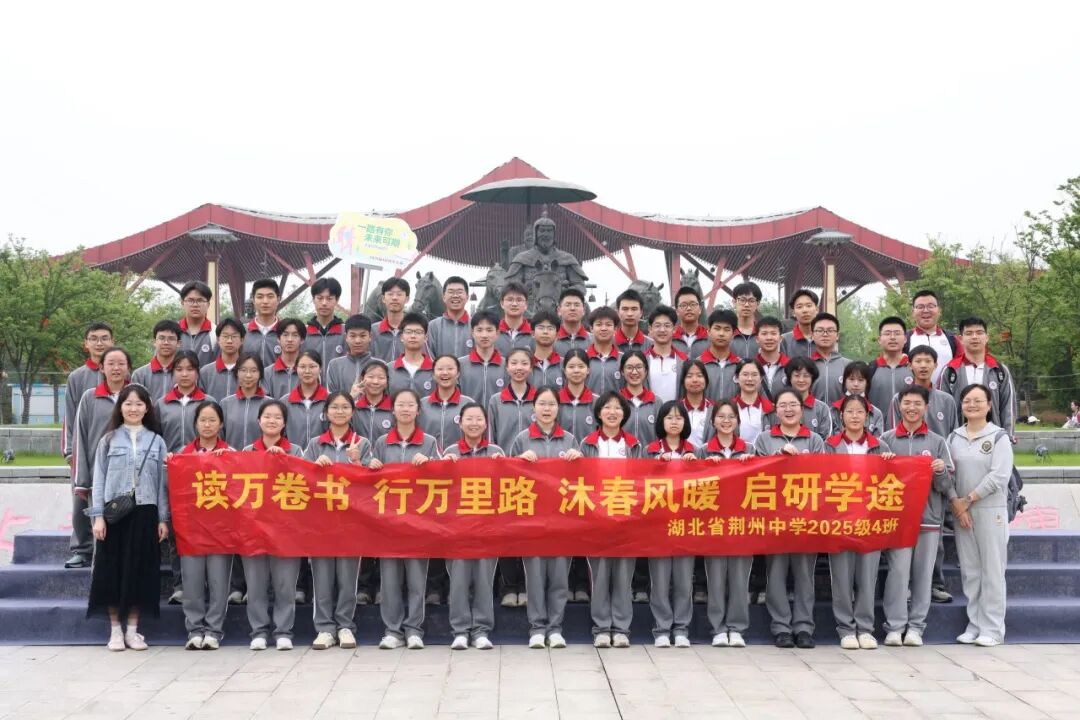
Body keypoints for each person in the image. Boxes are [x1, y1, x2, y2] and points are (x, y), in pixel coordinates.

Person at [86, 384, 169, 652]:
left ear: (147, 408)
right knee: (112, 571)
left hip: (146, 512)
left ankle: (133, 631)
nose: (133, 408)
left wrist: (162, 519)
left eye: (139, 404)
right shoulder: (108, 440)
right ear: (120, 407)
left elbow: (162, 485)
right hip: (115, 515)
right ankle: (115, 631)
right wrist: (98, 517)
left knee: (140, 572)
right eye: (128, 403)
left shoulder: (157, 441)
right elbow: (98, 480)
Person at [881, 385, 955, 647]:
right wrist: (883, 464)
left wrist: (940, 470)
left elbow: (946, 486)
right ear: (899, 405)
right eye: (907, 403)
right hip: (897, 521)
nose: (911, 408)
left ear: (926, 408)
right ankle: (894, 626)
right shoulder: (885, 440)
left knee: (923, 576)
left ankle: (916, 627)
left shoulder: (937, 442)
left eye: (917, 404)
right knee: (898, 574)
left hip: (928, 519)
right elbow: (874, 482)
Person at [510, 386, 583, 649]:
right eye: (542, 404)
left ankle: (555, 628)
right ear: (533, 408)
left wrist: (579, 459)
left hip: (562, 520)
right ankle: (537, 628)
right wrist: (519, 460)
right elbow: (509, 477)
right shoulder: (522, 439)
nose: (547, 409)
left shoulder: (570, 440)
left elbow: (582, 480)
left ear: (558, 408)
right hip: (533, 520)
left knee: (559, 578)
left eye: (552, 404)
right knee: (536, 577)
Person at [754, 388, 826, 649]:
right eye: (782, 405)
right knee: (776, 573)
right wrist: (777, 459)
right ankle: (781, 627)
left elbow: (824, 475)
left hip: (806, 518)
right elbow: (755, 475)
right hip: (775, 517)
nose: (788, 409)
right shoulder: (764, 439)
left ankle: (804, 627)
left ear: (802, 409)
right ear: (775, 411)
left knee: (805, 575)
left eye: (793, 404)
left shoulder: (815, 440)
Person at [370, 389, 441, 649]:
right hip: (388, 523)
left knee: (416, 580)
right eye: (401, 404)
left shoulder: (429, 442)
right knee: (389, 580)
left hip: (418, 521)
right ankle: (392, 630)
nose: (406, 409)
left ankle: (414, 630)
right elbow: (369, 478)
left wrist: (430, 462)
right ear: (393, 409)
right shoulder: (381, 442)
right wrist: (370, 465)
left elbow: (443, 474)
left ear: (418, 410)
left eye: (411, 405)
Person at [825, 395, 894, 650]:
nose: (854, 416)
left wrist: (890, 465)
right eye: (849, 411)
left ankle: (865, 628)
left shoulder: (881, 446)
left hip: (870, 520)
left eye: (859, 412)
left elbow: (891, 483)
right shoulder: (829, 446)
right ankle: (845, 628)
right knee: (841, 577)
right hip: (839, 520)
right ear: (841, 416)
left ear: (868, 416)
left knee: (867, 576)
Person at [304, 391, 371, 650]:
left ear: (353, 412)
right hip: (320, 523)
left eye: (345, 407)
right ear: (326, 412)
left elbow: (372, 483)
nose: (340, 411)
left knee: (347, 578)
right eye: (334, 407)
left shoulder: (363, 443)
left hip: (351, 522)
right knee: (321, 578)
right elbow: (300, 481)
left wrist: (357, 461)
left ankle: (345, 626)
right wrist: (314, 466)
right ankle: (324, 628)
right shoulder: (314, 444)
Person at [893, 345, 959, 605]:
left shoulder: (946, 401)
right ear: (910, 365)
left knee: (935, 536)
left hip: (935, 476)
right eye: (918, 361)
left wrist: (945, 468)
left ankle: (935, 584)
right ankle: (905, 587)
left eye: (927, 361)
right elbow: (893, 432)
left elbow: (953, 435)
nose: (922, 365)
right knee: (901, 538)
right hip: (903, 481)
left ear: (935, 365)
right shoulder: (899, 398)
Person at [948, 384, 1013, 647]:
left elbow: (999, 476)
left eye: (978, 400)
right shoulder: (954, 437)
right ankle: (974, 624)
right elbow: (948, 473)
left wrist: (969, 500)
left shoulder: (998, 437)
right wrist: (957, 503)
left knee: (992, 571)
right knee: (971, 571)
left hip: (989, 511)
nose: (972, 405)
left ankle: (993, 628)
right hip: (961, 512)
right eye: (967, 400)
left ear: (989, 405)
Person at [241, 401, 305, 653]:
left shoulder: (296, 450)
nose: (271, 421)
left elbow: (305, 484)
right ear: (258, 421)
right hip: (254, 528)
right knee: (255, 584)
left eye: (277, 417)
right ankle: (258, 631)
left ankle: (283, 632)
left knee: (285, 585)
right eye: (267, 416)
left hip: (286, 529)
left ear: (284, 423)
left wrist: (285, 461)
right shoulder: (247, 451)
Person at [442, 402, 503, 651]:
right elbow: (439, 489)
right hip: (457, 530)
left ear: (486, 424)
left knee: (484, 581)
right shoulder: (451, 451)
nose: (474, 423)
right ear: (460, 422)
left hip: (487, 529)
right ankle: (459, 630)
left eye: (479, 419)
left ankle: (481, 630)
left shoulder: (496, 451)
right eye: (469, 419)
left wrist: (503, 466)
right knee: (458, 581)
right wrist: (443, 465)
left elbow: (506, 488)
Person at [67, 346, 131, 569]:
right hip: (99, 478)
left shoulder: (137, 396)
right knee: (101, 534)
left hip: (131, 479)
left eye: (121, 363)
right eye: (111, 364)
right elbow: (80, 439)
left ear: (128, 368)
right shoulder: (89, 397)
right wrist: (82, 480)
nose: (116, 368)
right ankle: (101, 583)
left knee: (127, 539)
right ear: (101, 368)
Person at [697, 400, 754, 647]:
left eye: (731, 416)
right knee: (716, 578)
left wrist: (751, 465)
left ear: (738, 421)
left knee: (740, 578)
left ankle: (737, 627)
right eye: (721, 416)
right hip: (714, 524)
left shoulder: (750, 449)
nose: (726, 421)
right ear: (712, 421)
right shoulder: (702, 451)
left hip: (742, 523)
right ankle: (718, 627)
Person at [177, 400, 233, 650]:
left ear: (221, 424)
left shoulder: (232, 453)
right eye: (203, 420)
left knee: (219, 582)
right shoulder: (183, 454)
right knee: (192, 582)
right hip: (191, 529)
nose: (207, 425)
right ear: (195, 424)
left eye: (212, 420)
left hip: (221, 530)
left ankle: (214, 630)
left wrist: (228, 462)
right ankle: (194, 629)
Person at [645, 401, 696, 648]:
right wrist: (656, 465)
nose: (674, 422)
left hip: (686, 524)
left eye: (678, 418)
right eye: (669, 417)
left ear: (685, 422)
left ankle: (682, 628)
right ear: (661, 422)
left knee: (684, 580)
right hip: (657, 526)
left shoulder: (695, 451)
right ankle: (662, 629)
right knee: (660, 580)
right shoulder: (650, 451)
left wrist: (695, 465)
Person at [938, 317, 1017, 438]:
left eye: (979, 333)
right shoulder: (950, 371)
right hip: (959, 438)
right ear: (961, 339)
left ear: (987, 337)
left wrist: (1008, 436)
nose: (974, 337)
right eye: (969, 333)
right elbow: (943, 407)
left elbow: (1008, 406)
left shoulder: (1000, 370)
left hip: (993, 437)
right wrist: (946, 440)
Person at [63, 322, 112, 464]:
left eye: (104, 338)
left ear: (112, 342)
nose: (99, 343)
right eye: (94, 338)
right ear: (86, 343)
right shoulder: (76, 377)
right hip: (84, 448)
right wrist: (70, 452)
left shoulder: (124, 375)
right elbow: (70, 415)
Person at [157, 351, 213, 453]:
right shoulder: (161, 404)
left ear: (197, 372)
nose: (184, 374)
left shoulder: (208, 402)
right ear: (173, 372)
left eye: (190, 369)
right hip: (170, 460)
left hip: (201, 460)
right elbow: (156, 438)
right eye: (179, 369)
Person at [419, 355, 474, 452]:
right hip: (428, 458)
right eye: (440, 369)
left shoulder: (468, 404)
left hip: (459, 458)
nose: (445, 373)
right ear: (433, 374)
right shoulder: (422, 404)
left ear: (458, 373)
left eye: (450, 369)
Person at [487, 348, 537, 451]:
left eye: (524, 363)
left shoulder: (538, 399)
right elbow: (490, 435)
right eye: (514, 363)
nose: (519, 368)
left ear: (531, 368)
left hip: (533, 458)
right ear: (507, 367)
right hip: (504, 458)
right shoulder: (496, 400)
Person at [904, 290, 958, 384]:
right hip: (913, 392)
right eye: (920, 307)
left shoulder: (952, 339)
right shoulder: (904, 339)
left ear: (939, 310)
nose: (925, 310)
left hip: (946, 393)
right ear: (913, 312)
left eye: (930, 306)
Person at [220, 353, 268, 451]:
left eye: (253, 371)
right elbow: (220, 436)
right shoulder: (225, 404)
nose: (248, 375)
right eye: (243, 370)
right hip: (232, 457)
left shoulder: (269, 404)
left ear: (260, 374)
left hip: (259, 457)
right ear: (236, 372)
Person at [870, 317, 913, 426]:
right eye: (887, 333)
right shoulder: (870, 369)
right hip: (877, 430)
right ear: (879, 340)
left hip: (908, 430)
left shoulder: (913, 368)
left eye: (897, 333)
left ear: (905, 339)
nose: (892, 337)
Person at [282, 350, 328, 450]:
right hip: (293, 456)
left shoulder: (330, 400)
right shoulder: (285, 402)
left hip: (323, 457)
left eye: (312, 366)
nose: (307, 371)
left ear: (320, 369)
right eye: (302, 367)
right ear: (296, 369)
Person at [458, 310, 506, 405]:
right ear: (472, 333)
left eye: (489, 330)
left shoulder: (507, 365)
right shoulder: (460, 364)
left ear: (497, 333)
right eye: (479, 330)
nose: (484, 335)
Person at [829, 362, 886, 437]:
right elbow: (829, 440)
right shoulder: (833, 411)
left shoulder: (876, 413)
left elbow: (878, 442)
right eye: (851, 379)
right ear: (844, 381)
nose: (856, 384)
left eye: (861, 380)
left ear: (867, 383)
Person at [782, 356, 832, 439]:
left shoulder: (822, 408)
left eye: (806, 376)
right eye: (797, 375)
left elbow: (825, 439)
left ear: (812, 378)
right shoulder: (780, 406)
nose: (801, 380)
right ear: (790, 378)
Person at [646, 305, 686, 404]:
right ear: (650, 329)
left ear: (674, 329)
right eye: (657, 326)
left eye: (667, 326)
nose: (662, 330)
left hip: (676, 413)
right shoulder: (642, 360)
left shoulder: (684, 361)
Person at [325, 314, 375, 395]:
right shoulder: (334, 365)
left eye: (362, 336)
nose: (357, 341)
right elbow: (331, 398)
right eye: (353, 336)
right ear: (346, 337)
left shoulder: (380, 365)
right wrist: (351, 398)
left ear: (370, 336)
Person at [131, 320, 181, 400]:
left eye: (171, 339)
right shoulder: (140, 374)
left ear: (178, 343)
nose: (166, 342)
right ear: (154, 342)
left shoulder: (185, 373)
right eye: (161, 338)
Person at [199, 317, 246, 401]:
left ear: (242, 340)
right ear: (218, 339)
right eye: (225, 336)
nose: (229, 341)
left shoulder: (249, 371)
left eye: (234, 336)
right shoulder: (205, 372)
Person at [304, 277, 346, 370]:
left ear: (337, 300)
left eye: (329, 298)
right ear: (313, 299)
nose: (324, 303)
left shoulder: (346, 332)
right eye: (320, 298)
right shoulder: (303, 332)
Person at [388, 313, 435, 396]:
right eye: (408, 332)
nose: (413, 336)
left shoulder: (435, 369)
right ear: (401, 337)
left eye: (418, 332)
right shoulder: (389, 369)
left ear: (425, 338)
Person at [427, 276, 473, 359]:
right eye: (451, 292)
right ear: (444, 297)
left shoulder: (475, 326)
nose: (455, 295)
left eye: (459, 292)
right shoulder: (432, 326)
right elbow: (429, 357)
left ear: (467, 297)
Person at [619, 351, 659, 445]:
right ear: (622, 372)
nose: (634, 372)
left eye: (639, 367)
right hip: (622, 453)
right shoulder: (616, 401)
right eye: (629, 367)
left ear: (646, 371)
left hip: (650, 454)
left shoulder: (656, 402)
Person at [699, 309, 739, 404]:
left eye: (727, 329)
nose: (721, 334)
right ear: (708, 331)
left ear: (733, 334)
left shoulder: (740, 365)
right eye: (717, 328)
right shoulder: (698, 364)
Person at [809, 312, 849, 406]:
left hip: (841, 414)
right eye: (820, 330)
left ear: (837, 335)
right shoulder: (805, 365)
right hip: (813, 414)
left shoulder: (848, 365)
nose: (825, 334)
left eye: (830, 330)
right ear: (812, 335)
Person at [243, 279, 283, 367]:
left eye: (270, 296)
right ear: (253, 300)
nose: (265, 301)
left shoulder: (286, 332)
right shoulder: (241, 332)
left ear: (278, 300)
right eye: (260, 297)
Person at [585, 306, 624, 395]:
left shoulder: (623, 359)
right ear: (591, 328)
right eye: (599, 324)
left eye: (608, 325)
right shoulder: (582, 358)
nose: (603, 328)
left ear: (615, 329)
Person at [558, 350, 595, 441]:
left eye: (581, 366)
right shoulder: (555, 400)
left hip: (588, 450)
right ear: (564, 371)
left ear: (588, 370)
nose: (576, 370)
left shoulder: (597, 401)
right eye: (571, 367)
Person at [733, 359, 773, 444]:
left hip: (764, 452)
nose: (750, 379)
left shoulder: (771, 409)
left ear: (761, 378)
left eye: (754, 375)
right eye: (745, 374)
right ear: (736, 378)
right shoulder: (729, 408)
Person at [352, 360, 394, 442]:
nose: (375, 382)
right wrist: (351, 397)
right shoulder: (353, 408)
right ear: (362, 379)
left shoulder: (395, 409)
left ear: (387, 382)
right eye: (371, 377)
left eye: (381, 378)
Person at [178, 281, 217, 367]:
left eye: (200, 300)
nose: (195, 305)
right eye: (190, 300)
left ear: (208, 304)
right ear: (182, 303)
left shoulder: (216, 333)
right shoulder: (173, 331)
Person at [372, 277, 411, 362]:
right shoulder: (373, 331)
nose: (394, 298)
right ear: (383, 299)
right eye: (390, 294)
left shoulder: (414, 331)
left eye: (399, 294)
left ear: (407, 299)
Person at [266, 318, 305, 399]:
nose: (289, 340)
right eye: (285, 335)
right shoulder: (267, 373)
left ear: (302, 340)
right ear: (278, 339)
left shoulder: (308, 371)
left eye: (295, 335)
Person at [679, 360, 714, 449]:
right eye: (689, 376)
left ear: (706, 380)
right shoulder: (676, 409)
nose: (695, 380)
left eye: (699, 376)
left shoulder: (714, 409)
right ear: (683, 381)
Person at [495, 282, 535, 357]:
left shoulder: (534, 334)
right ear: (502, 304)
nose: (514, 304)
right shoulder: (493, 332)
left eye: (519, 300)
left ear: (526, 305)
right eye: (510, 300)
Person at [754, 317, 789, 401]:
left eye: (773, 333)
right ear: (757, 339)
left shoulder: (790, 366)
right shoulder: (750, 367)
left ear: (780, 338)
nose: (769, 338)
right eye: (764, 333)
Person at [780, 289, 819, 360]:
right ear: (793, 312)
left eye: (809, 306)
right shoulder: (784, 340)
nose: (805, 310)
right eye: (799, 307)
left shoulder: (824, 338)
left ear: (817, 309)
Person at [673, 286, 709, 359]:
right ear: (677, 311)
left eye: (693, 304)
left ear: (700, 309)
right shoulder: (669, 339)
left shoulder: (711, 338)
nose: (689, 308)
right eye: (683, 305)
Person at [530, 311, 564, 389]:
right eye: (541, 328)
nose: (545, 332)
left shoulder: (564, 364)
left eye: (550, 328)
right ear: (532, 333)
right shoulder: (526, 364)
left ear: (557, 335)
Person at [554, 287, 592, 356]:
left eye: (577, 305)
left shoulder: (593, 341)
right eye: (568, 305)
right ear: (559, 310)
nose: (572, 308)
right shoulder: (551, 341)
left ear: (584, 310)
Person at [614, 289, 653, 353]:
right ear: (618, 312)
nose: (629, 314)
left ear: (641, 312)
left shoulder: (652, 346)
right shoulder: (607, 344)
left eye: (634, 309)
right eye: (625, 309)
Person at [730, 281, 761, 359]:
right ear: (734, 302)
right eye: (742, 300)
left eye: (751, 301)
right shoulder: (726, 332)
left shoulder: (763, 333)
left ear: (758, 304)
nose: (746, 305)